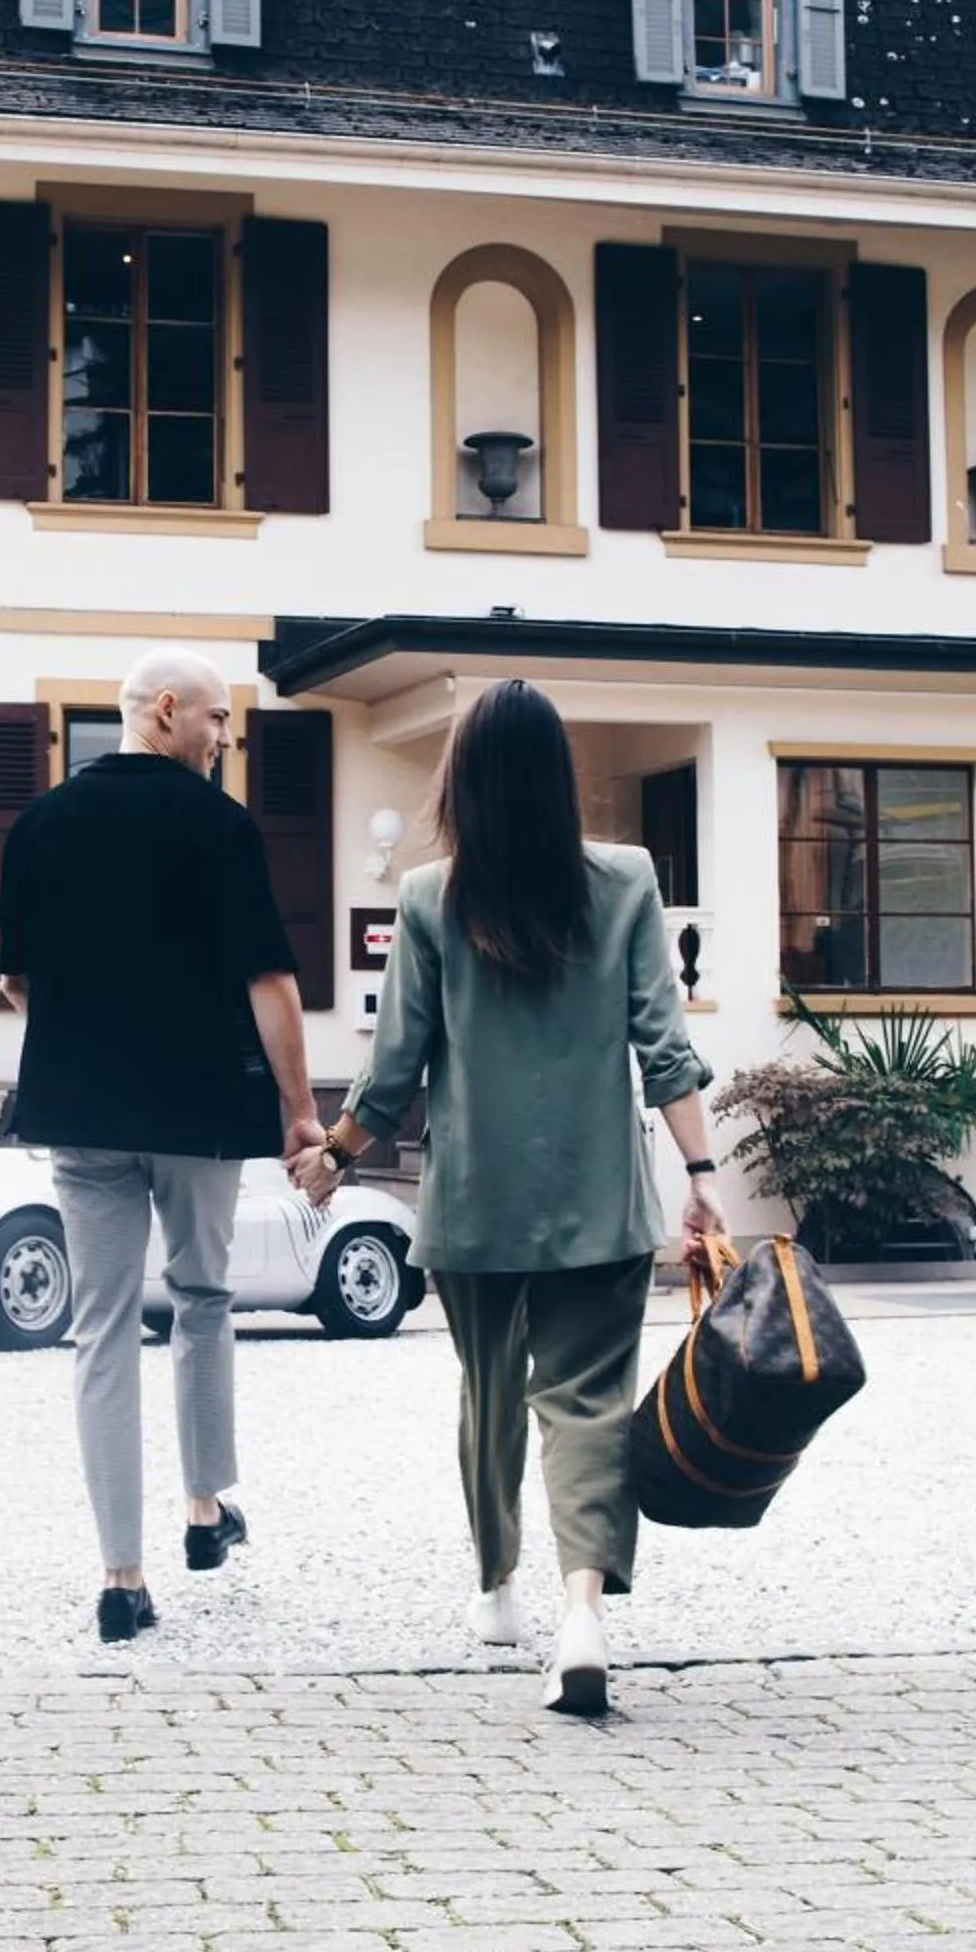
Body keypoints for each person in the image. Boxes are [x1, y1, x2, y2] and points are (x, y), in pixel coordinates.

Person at [292, 678, 725, 1718]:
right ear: (557, 779)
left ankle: (498, 1591)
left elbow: (395, 1065)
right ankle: (584, 1611)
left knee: (489, 1393)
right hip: (600, 1197)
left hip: (476, 1203)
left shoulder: (432, 897)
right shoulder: (626, 880)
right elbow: (663, 1048)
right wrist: (703, 1178)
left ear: (461, 783)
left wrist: (336, 1156)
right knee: (587, 1402)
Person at [0, 650, 323, 1644]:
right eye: (220, 720)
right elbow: (269, 984)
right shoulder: (221, 830)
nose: (226, 739)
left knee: (99, 1331)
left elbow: (19, 987)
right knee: (202, 1296)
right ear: (169, 711)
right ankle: (203, 1506)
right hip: (195, 1111)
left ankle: (120, 1579)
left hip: (81, 1112)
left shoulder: (38, 824)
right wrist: (301, 1111)